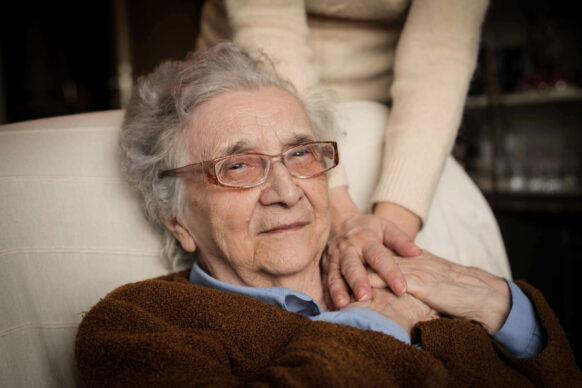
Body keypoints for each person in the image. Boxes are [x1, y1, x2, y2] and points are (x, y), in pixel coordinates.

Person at [75, 43, 581, 386]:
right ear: (176, 217)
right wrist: (375, 324)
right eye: (237, 165)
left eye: (300, 155)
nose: (286, 191)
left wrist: (499, 302)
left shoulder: (396, 271)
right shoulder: (137, 325)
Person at [195, 0, 495, 307]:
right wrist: (338, 211)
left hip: (386, 107)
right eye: (238, 166)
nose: (285, 193)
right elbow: (270, 35)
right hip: (251, 94)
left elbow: (441, 50)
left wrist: (382, 248)